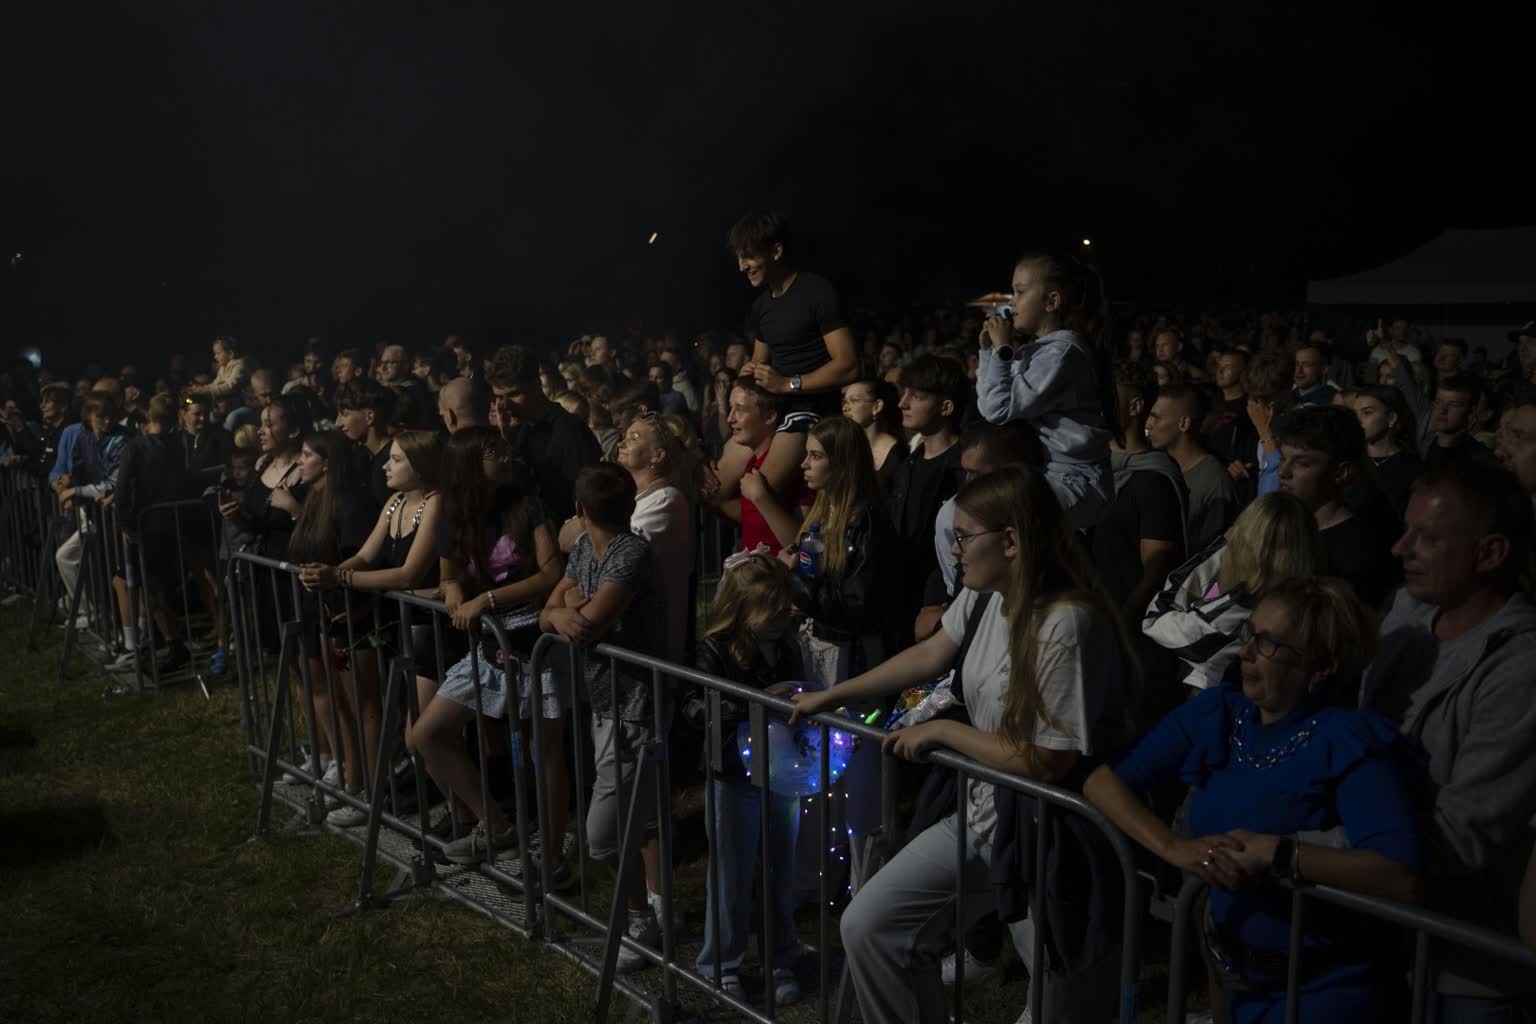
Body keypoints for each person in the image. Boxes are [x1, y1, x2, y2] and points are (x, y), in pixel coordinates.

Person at [794, 466, 1138, 1024]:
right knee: (870, 925)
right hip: (984, 817)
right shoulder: (983, 598)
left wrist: (943, 731)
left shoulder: (1065, 623)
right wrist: (833, 696)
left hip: (1048, 835)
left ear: (1011, 541)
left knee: (1061, 1000)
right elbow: (930, 655)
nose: (953, 550)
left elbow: (1048, 759)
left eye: (963, 536)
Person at [1087, 577, 1424, 1024]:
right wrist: (1174, 848)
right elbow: (1102, 784)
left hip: (1324, 993)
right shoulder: (1220, 714)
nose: (1245, 652)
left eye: (1267, 644)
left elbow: (1400, 876)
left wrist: (1281, 854)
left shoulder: (1349, 741)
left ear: (1321, 665)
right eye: (1248, 634)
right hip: (1233, 979)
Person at [1361, 460, 1536, 1019]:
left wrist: (1307, 848)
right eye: (1405, 531)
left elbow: (1465, 834)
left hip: (1467, 973)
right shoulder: (1406, 618)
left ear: (1490, 553)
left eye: (1428, 538)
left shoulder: (1521, 667)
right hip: (1375, 941)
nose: (1400, 549)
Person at [412, 428, 565, 864]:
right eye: (493, 450)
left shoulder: (527, 506)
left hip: (536, 644)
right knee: (427, 734)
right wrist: (453, 588)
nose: (506, 453)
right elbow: (447, 575)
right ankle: (497, 827)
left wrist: (487, 599)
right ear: (469, 463)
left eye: (503, 446)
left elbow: (550, 573)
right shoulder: (453, 514)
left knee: (544, 755)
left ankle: (551, 858)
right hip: (491, 648)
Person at [539, 464, 665, 973]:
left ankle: (641, 921)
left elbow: (587, 626)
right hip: (604, 701)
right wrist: (564, 608)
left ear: (579, 510)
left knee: (603, 834)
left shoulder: (629, 553)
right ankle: (653, 908)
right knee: (637, 816)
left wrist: (566, 609)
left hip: (633, 707)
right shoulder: (583, 550)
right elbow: (554, 612)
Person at [297, 430, 444, 825]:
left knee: (421, 731)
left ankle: (460, 814)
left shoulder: (435, 503)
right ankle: (412, 802)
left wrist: (340, 579)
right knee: (410, 727)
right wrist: (329, 573)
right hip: (405, 625)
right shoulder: (395, 503)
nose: (385, 467)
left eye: (396, 460)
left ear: (421, 466)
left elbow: (409, 573)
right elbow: (365, 555)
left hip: (433, 628)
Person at [690, 555, 805, 1004]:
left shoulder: (788, 646)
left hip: (781, 773)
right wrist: (749, 706)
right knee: (731, 874)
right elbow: (694, 706)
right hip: (733, 775)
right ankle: (721, 964)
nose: (782, 616)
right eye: (771, 609)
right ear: (742, 608)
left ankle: (779, 955)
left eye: (783, 608)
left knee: (779, 868)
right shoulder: (715, 649)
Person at [975, 250, 1116, 530]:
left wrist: (1001, 351)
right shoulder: (1041, 351)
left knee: (984, 524)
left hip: (1074, 481)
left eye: (1020, 291)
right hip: (1048, 474)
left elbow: (997, 409)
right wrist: (989, 354)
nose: (1012, 301)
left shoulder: (1061, 355)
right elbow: (988, 404)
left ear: (1052, 301)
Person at [722, 209, 859, 483]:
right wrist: (750, 370)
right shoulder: (761, 306)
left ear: (776, 251)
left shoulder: (817, 291)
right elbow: (760, 362)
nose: (741, 266)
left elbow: (848, 366)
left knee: (759, 490)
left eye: (748, 256)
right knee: (718, 487)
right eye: (739, 258)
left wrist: (788, 384)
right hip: (774, 409)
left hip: (813, 409)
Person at [1143, 493, 1325, 695]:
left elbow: (1154, 619)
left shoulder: (1244, 607)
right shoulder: (1304, 597)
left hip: (1215, 703)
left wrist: (1222, 546)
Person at [285, 430, 380, 816]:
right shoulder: (315, 500)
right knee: (341, 704)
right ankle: (352, 779)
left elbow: (363, 560)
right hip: (324, 613)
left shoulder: (352, 504)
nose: (299, 461)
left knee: (364, 706)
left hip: (352, 615)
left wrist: (352, 601)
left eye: (306, 454)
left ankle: (369, 790)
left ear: (327, 463)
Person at [558, 412, 694, 664]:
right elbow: (564, 537)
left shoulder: (666, 500)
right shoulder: (621, 498)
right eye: (624, 436)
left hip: (645, 646)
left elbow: (617, 546)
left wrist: (588, 522)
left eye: (634, 437)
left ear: (657, 455)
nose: (622, 442)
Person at [779, 416, 894, 682]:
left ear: (843, 463)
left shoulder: (866, 522)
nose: (804, 464)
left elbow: (853, 608)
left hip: (850, 656)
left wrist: (792, 577)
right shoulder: (822, 512)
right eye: (806, 454)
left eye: (816, 456)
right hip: (815, 641)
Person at [1274, 405, 1403, 611]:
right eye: (1282, 458)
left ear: (1341, 472)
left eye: (1302, 463)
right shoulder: (1289, 528)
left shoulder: (1357, 554)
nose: (1283, 471)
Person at [1092, 361, 1187, 624]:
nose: (1097, 407)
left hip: (1118, 622)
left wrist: (1124, 621)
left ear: (1135, 406)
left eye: (1107, 400)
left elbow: (1157, 569)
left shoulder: (1153, 480)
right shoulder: (1089, 467)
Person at [886, 355, 966, 644]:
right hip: (900, 599)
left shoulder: (963, 469)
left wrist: (935, 599)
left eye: (916, 396)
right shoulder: (909, 463)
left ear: (945, 407)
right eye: (904, 393)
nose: (902, 403)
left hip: (936, 607)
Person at [486, 345, 601, 523]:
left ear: (536, 385)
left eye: (514, 394)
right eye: (499, 397)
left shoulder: (570, 432)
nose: (506, 405)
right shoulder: (519, 429)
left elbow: (585, 504)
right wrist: (507, 442)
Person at [707, 381, 810, 556]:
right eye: (731, 408)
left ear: (769, 417)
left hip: (778, 570)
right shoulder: (752, 464)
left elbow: (803, 544)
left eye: (740, 410)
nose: (730, 418)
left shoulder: (794, 469)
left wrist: (761, 497)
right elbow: (751, 519)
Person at [1146, 383, 1240, 553]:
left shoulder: (1215, 481)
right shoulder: (1155, 467)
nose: (1148, 424)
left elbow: (1213, 552)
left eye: (1156, 418)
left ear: (1184, 423)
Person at [1352, 385, 1423, 518]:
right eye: (1355, 414)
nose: (1357, 420)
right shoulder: (1350, 461)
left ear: (1391, 417)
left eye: (1367, 412)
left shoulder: (1412, 467)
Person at [839, 377, 906, 497]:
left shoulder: (897, 454)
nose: (845, 408)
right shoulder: (844, 446)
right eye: (845, 402)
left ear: (877, 406)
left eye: (854, 400)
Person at [1242, 351, 1295, 497]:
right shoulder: (1267, 419)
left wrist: (1263, 431)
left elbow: (1281, 475)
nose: (1258, 405)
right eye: (1254, 398)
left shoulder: (1302, 420)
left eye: (1265, 398)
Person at [1425, 375, 1502, 471]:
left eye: (1454, 405)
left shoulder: (1480, 459)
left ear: (1471, 412)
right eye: (1438, 402)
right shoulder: (1433, 445)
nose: (1442, 410)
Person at [1293, 341, 1340, 406]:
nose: (1299, 371)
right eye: (1297, 364)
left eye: (1307, 364)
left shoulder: (1333, 402)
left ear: (1323, 369)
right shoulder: (1286, 397)